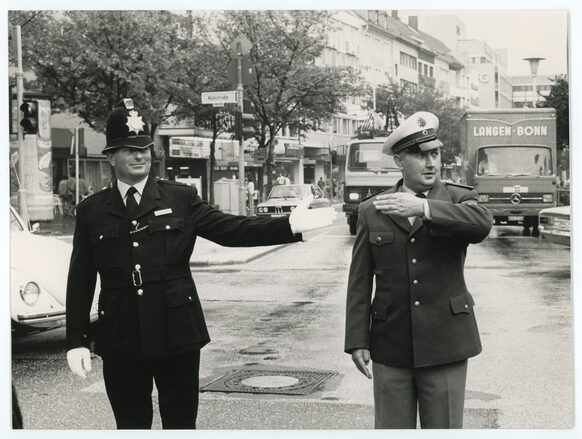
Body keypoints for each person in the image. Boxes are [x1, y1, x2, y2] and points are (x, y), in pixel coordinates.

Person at [65, 98, 336, 429]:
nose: (139, 155)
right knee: (130, 424)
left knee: (181, 423)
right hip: (121, 336)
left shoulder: (179, 198)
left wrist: (289, 227)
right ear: (110, 156)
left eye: (145, 148)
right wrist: (76, 339)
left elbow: (230, 230)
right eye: (128, 149)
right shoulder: (92, 210)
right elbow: (80, 279)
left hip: (176, 333)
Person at [344, 111, 493, 429]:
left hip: (446, 343)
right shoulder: (373, 209)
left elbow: (482, 225)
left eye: (435, 154)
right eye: (420, 155)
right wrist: (357, 339)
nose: (431, 164)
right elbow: (359, 281)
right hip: (390, 342)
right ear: (399, 161)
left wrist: (424, 208)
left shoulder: (458, 198)